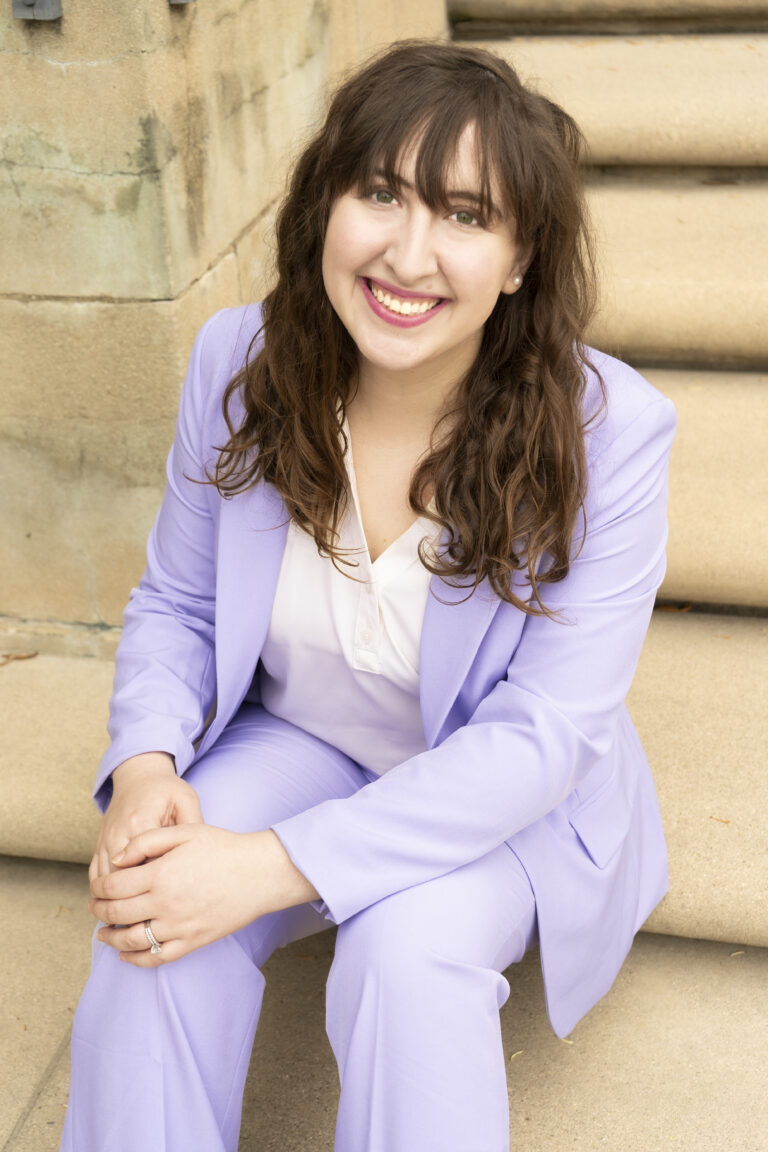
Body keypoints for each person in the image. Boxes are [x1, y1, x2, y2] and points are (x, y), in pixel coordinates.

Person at [61, 39, 676, 1152]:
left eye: (464, 214)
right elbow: (181, 607)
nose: (409, 252)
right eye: (380, 194)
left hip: (497, 792)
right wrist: (150, 762)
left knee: (409, 947)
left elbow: (539, 740)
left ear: (522, 257)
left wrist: (269, 866)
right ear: (324, 206)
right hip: (304, 737)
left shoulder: (613, 433)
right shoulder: (236, 363)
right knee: (152, 911)